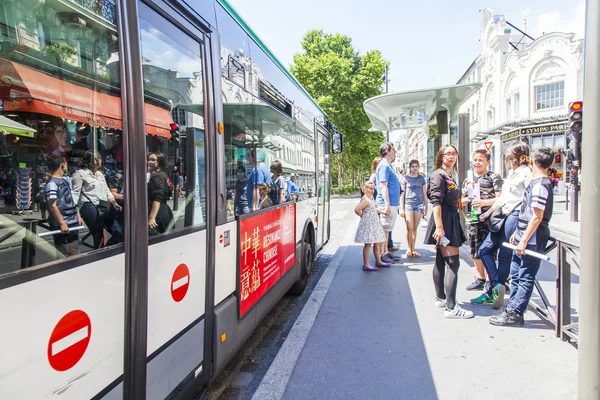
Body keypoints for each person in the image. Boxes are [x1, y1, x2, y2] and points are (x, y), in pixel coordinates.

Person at [490, 147, 555, 327]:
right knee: (517, 274)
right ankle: (513, 310)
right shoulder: (537, 183)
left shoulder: (540, 184)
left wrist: (524, 239)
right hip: (525, 236)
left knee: (525, 276)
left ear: (533, 161)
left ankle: (515, 313)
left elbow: (536, 216)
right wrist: (518, 235)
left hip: (532, 239)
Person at [473, 142, 532, 309]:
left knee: (504, 256)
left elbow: (527, 202)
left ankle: (493, 290)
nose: (508, 159)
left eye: (510, 156)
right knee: (484, 250)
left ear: (520, 157)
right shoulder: (512, 173)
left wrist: (522, 227)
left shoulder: (527, 174)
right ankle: (497, 286)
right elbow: (503, 198)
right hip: (502, 216)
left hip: (514, 217)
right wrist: (488, 212)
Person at [424, 144, 472, 319]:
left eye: (454, 153)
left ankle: (441, 298)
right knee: (452, 262)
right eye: (448, 154)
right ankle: (451, 307)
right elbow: (436, 202)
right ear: (441, 156)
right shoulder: (439, 175)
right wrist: (439, 227)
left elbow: (450, 201)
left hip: (447, 218)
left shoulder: (447, 175)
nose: (452, 156)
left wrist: (464, 196)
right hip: (444, 220)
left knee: (441, 259)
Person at [461, 150, 503, 292]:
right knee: (475, 250)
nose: (477, 163)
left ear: (487, 162)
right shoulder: (468, 180)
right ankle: (480, 278)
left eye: (480, 160)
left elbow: (500, 198)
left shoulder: (494, 177)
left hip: (489, 220)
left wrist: (483, 203)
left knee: (489, 251)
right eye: (475, 160)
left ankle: (491, 280)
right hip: (472, 219)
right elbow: (459, 201)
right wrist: (466, 194)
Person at [72, 151, 123, 249]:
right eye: (98, 158)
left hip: (103, 206)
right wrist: (76, 213)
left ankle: (106, 251)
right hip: (89, 206)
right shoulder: (80, 174)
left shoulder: (99, 174)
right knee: (98, 235)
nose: (100, 160)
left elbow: (106, 190)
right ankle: (99, 255)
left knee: (119, 232)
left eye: (100, 158)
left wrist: (113, 202)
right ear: (90, 161)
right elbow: (75, 194)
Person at [44, 154, 84, 257]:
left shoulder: (65, 181)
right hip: (62, 222)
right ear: (62, 165)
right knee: (63, 252)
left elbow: (70, 200)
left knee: (74, 250)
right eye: (66, 163)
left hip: (72, 220)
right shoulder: (51, 183)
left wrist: (77, 215)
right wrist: (62, 223)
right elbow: (52, 205)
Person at [354, 180, 390, 271]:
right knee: (368, 243)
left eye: (373, 188)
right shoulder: (365, 200)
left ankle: (378, 261)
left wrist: (382, 211)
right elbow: (357, 209)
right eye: (370, 188)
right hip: (369, 223)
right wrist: (363, 215)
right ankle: (366, 263)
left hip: (374, 222)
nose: (372, 190)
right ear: (364, 189)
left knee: (377, 242)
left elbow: (374, 208)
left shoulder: (371, 198)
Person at [375, 142, 401, 264]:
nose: (395, 152)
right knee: (384, 230)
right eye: (393, 150)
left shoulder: (388, 165)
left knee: (387, 230)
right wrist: (387, 204)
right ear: (387, 151)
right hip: (387, 204)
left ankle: (385, 252)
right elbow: (383, 186)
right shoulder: (384, 166)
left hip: (391, 203)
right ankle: (381, 254)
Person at [400, 159, 427, 258]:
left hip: (419, 204)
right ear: (410, 168)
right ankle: (408, 248)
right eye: (413, 166)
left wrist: (426, 206)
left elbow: (424, 193)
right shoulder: (405, 178)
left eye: (416, 166)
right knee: (409, 227)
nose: (415, 168)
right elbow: (402, 194)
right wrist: (401, 208)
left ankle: (413, 249)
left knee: (415, 228)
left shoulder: (421, 178)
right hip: (408, 204)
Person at [147, 152, 174, 234]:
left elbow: (158, 197)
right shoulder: (163, 174)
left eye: (153, 160)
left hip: (158, 213)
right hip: (164, 211)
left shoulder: (158, 176)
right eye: (149, 160)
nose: (150, 162)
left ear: (159, 162)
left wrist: (152, 217)